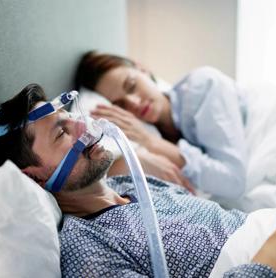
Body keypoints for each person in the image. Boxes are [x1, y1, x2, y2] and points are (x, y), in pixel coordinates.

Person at [0, 83, 276, 278]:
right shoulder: (86, 253)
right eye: (63, 133)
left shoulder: (132, 185)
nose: (85, 128)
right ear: (33, 178)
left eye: (72, 118)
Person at [74, 51, 248, 200]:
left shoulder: (203, 86)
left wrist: (150, 141)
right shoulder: (157, 131)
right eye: (121, 105)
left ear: (143, 69)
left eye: (131, 86)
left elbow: (234, 182)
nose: (134, 102)